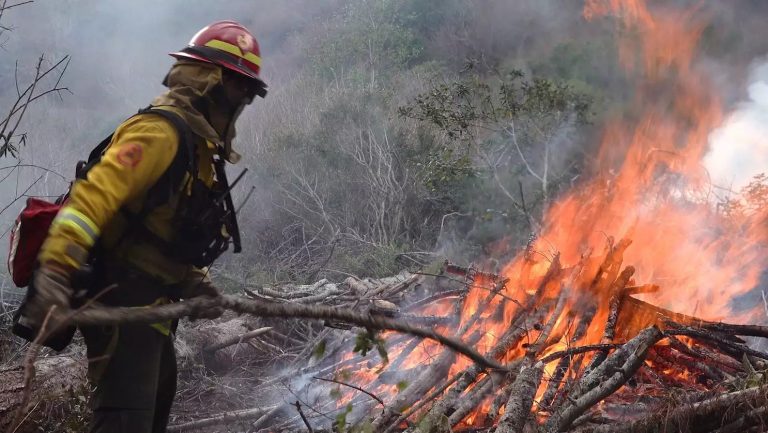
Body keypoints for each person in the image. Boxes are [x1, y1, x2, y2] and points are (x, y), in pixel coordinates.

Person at [28, 20, 267, 433]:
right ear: (208, 81)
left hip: (152, 311)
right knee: (125, 422)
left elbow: (164, 230)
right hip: (121, 301)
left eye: (249, 89)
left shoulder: (200, 150)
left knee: (150, 417)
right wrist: (56, 269)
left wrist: (193, 281)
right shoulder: (159, 133)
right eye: (238, 86)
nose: (244, 97)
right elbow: (91, 200)